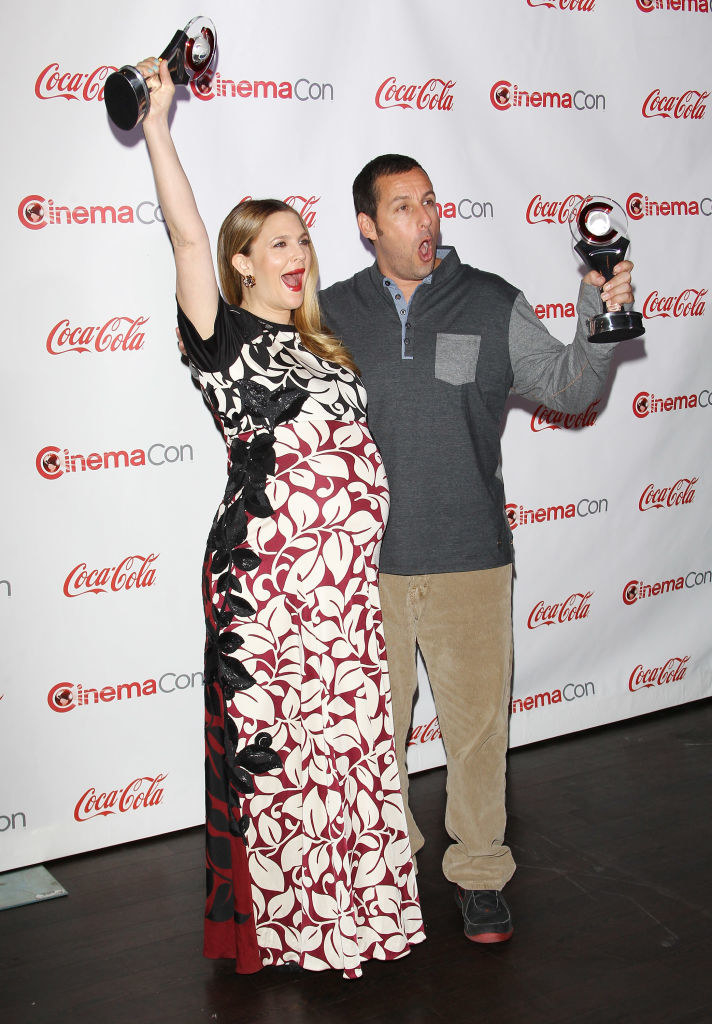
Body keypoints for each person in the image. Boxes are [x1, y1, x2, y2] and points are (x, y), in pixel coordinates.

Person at [137, 64, 424, 977]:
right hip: (267, 591)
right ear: (242, 264)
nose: (298, 255)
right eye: (277, 244)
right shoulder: (222, 338)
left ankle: (363, 924)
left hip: (340, 595)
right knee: (291, 767)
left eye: (303, 239)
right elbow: (186, 234)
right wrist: (157, 126)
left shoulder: (323, 347)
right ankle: (305, 939)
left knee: (352, 753)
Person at [318, 154, 635, 945]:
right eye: (402, 207)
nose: (425, 219)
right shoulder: (326, 314)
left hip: (470, 558)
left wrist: (596, 318)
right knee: (367, 736)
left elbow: (569, 387)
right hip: (366, 570)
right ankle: (391, 858)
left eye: (430, 202)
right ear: (367, 226)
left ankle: (482, 872)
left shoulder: (491, 302)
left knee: (478, 735)